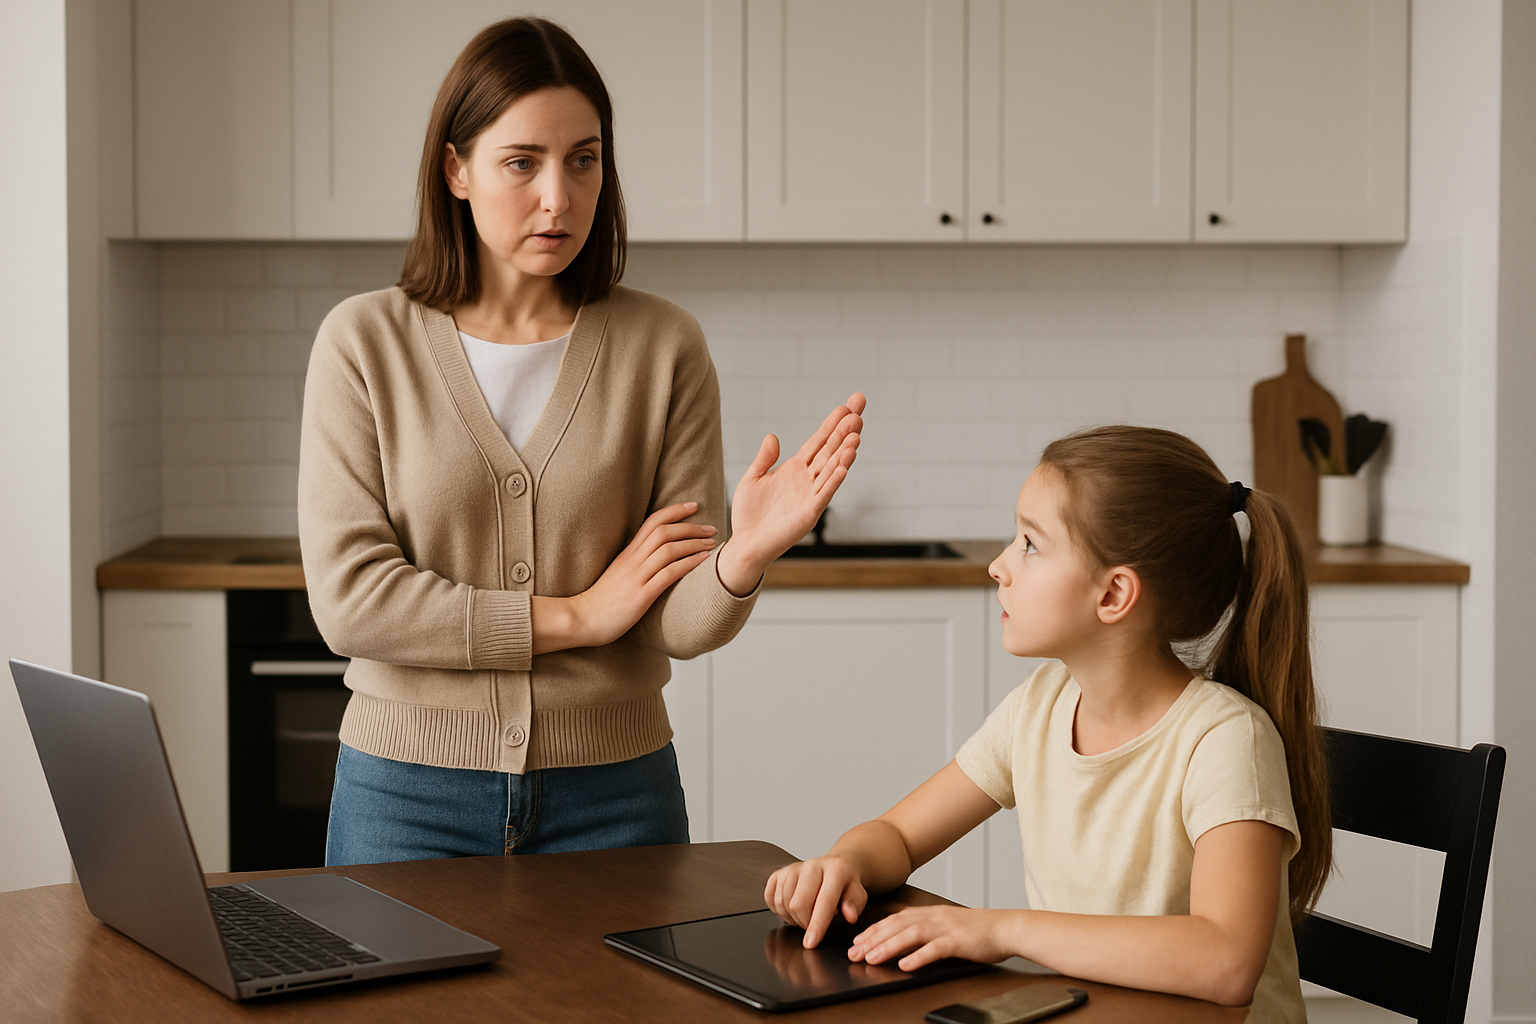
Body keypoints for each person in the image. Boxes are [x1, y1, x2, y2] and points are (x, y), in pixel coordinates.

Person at [298, 16, 864, 866]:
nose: (558, 197)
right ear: (456, 170)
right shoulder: (363, 343)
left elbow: (672, 619)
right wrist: (576, 617)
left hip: (617, 792)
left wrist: (745, 555)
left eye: (584, 159)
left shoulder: (664, 346)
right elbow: (351, 602)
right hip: (405, 791)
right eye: (521, 162)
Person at [764, 426, 1329, 1023]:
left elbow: (1226, 962)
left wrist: (1003, 929)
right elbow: (898, 837)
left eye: (1030, 544)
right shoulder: (1040, 707)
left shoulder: (1224, 741)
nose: (998, 565)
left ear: (1114, 595)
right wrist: (844, 864)